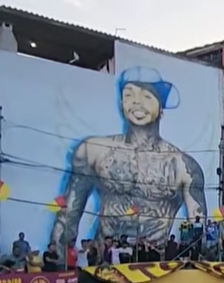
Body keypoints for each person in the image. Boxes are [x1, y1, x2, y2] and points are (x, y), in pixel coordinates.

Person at [50, 67, 207, 249]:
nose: (137, 103)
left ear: (161, 107)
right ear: (120, 104)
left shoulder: (182, 166)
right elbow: (68, 216)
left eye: (147, 96)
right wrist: (58, 262)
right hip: (105, 262)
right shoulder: (94, 151)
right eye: (129, 95)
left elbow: (199, 227)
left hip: (155, 262)